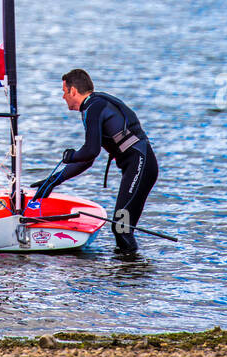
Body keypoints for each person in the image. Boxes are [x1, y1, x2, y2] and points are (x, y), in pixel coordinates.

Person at [31, 68, 159, 257]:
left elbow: (90, 151)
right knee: (121, 226)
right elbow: (88, 159)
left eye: (64, 92)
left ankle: (130, 277)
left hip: (140, 165)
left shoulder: (93, 108)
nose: (63, 97)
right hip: (137, 165)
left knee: (121, 227)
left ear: (73, 90)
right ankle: (128, 270)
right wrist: (54, 180)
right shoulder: (95, 105)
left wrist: (70, 155)